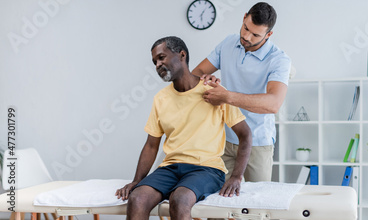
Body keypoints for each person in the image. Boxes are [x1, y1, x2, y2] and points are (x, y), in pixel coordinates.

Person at [116, 36, 252, 220]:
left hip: (206, 169)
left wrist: (236, 177)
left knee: (179, 199)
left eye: (162, 57)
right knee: (137, 198)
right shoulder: (161, 99)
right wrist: (136, 181)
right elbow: (151, 145)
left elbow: (245, 134)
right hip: (170, 168)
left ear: (181, 55)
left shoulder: (213, 90)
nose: (157, 64)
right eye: (155, 61)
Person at [192, 2, 291, 182]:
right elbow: (196, 74)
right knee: (218, 198)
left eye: (255, 34)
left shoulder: (279, 60)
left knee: (257, 204)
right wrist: (208, 81)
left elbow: (273, 104)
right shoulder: (228, 43)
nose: (246, 36)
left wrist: (226, 97)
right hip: (224, 138)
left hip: (257, 143)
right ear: (244, 17)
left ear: (269, 34)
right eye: (246, 28)